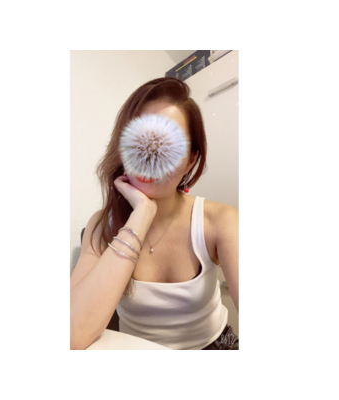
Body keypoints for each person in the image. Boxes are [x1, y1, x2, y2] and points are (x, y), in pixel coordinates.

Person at [69, 77, 240, 350]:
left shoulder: (220, 220)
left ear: (190, 160)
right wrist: (141, 214)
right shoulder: (102, 226)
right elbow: (73, 333)